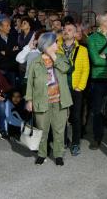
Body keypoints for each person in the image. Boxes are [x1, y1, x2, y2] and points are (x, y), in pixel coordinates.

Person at [26, 32, 73, 166]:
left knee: (59, 130)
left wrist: (53, 55)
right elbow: (30, 82)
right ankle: (42, 154)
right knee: (42, 130)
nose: (57, 44)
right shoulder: (36, 61)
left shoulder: (61, 58)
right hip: (42, 101)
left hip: (60, 101)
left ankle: (58, 155)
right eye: (54, 43)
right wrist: (29, 100)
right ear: (46, 45)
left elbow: (65, 69)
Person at [87, 13, 107, 149]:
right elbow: (95, 60)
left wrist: (105, 56)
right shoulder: (92, 38)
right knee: (97, 110)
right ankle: (97, 137)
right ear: (103, 22)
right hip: (99, 78)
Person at [57, 23, 90, 156]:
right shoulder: (56, 48)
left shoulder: (82, 49)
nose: (66, 31)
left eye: (69, 30)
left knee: (76, 117)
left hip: (76, 88)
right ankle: (64, 140)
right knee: (61, 117)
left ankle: (75, 143)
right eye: (64, 29)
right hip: (60, 88)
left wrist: (80, 87)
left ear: (75, 34)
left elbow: (85, 69)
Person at [0, 17, 19, 86]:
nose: (9, 28)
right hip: (1, 70)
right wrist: (11, 52)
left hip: (13, 69)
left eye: (10, 26)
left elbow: (17, 53)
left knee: (13, 90)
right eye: (7, 26)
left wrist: (6, 53)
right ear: (0, 27)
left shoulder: (13, 38)